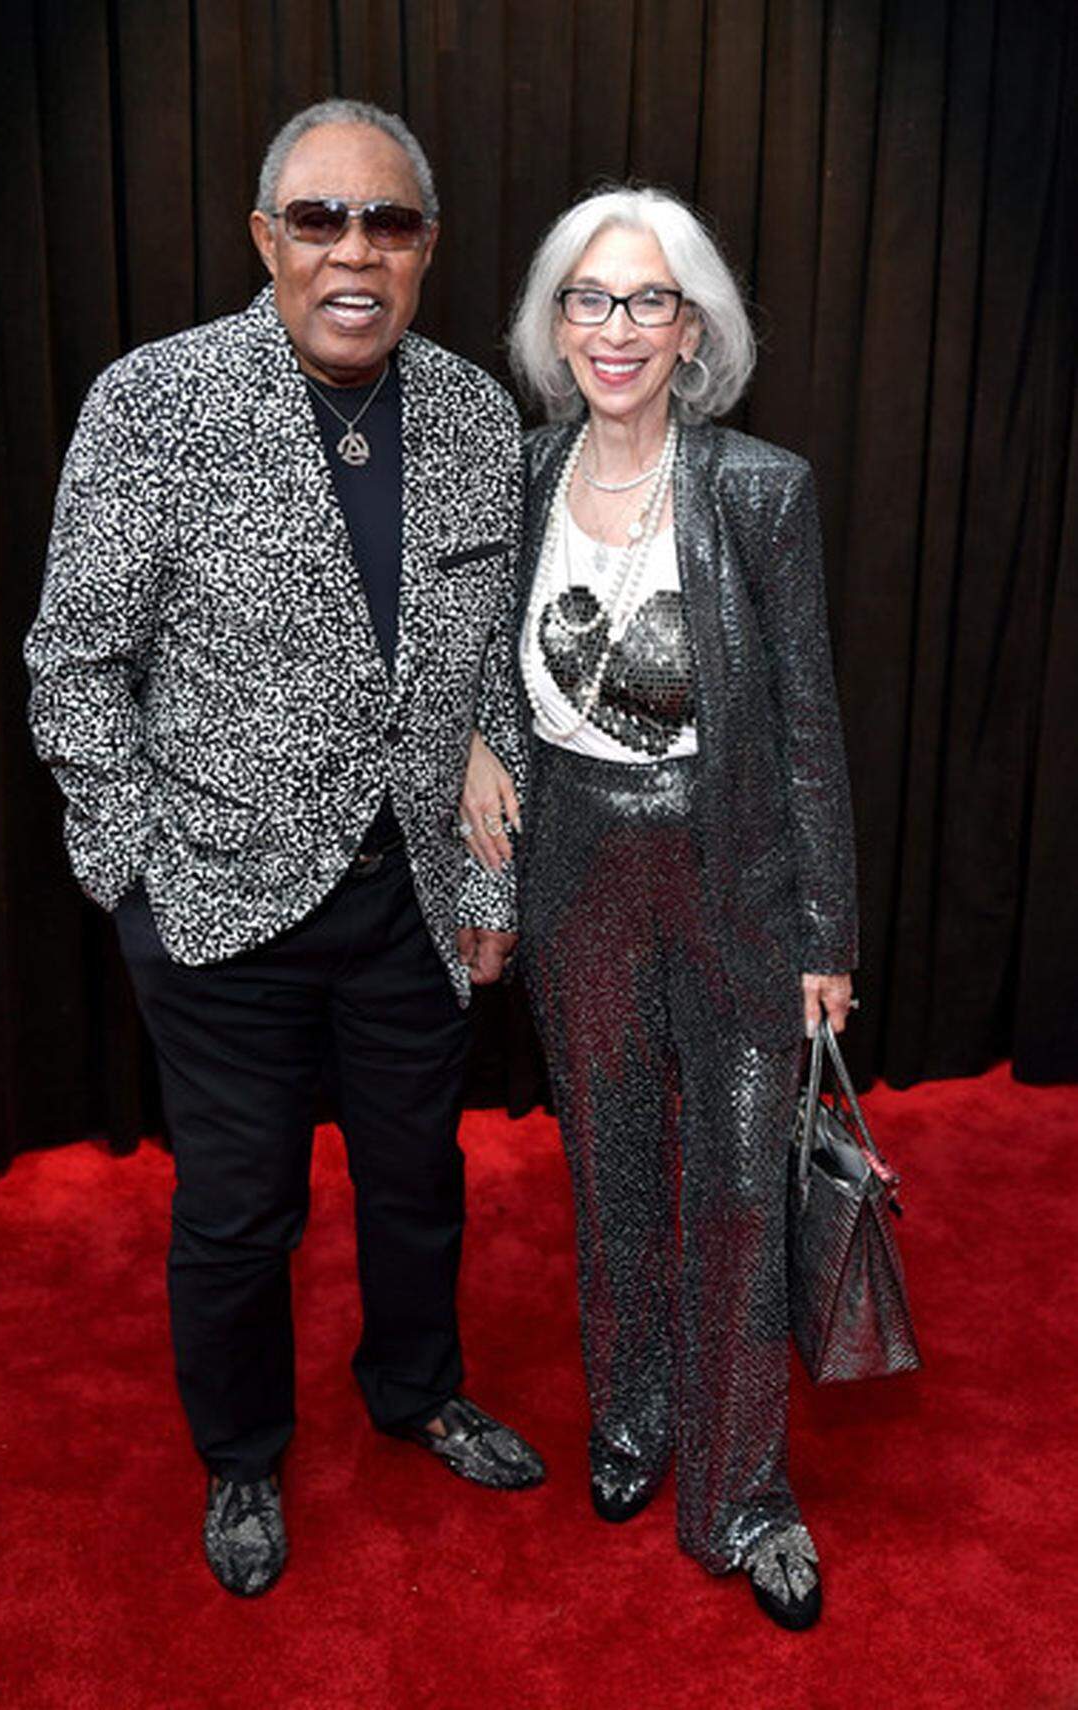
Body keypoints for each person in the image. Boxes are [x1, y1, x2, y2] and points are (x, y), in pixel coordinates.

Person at [25, 97, 544, 1599]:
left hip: (414, 897)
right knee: (240, 1208)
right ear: (266, 238)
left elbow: (487, 674)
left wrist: (491, 878)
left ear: (428, 247)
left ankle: (415, 1386)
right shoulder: (154, 403)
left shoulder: (469, 414)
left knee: (417, 1179)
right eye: (318, 218)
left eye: (387, 221)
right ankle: (242, 1451)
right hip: (216, 900)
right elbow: (74, 660)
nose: (353, 250)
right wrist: (129, 869)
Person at [461, 186, 857, 1630]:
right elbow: (480, 670)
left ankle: (745, 1494)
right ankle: (632, 1417)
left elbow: (808, 719)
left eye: (645, 301)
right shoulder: (511, 476)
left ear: (693, 330)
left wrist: (827, 937)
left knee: (746, 1191)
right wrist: (480, 774)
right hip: (579, 874)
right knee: (615, 1177)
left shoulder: (763, 489)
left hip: (732, 872)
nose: (615, 328)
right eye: (588, 299)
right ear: (555, 325)